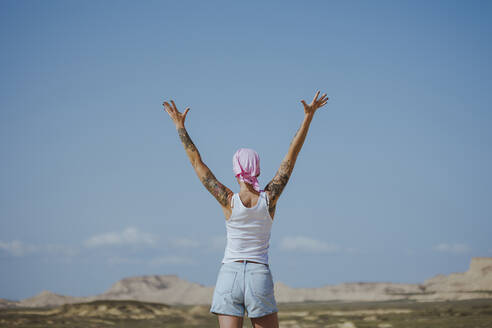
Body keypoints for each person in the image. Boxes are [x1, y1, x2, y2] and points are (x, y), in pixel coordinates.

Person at [163, 91, 329, 328]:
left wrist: (179, 126)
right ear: (258, 171)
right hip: (258, 276)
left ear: (235, 170)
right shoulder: (269, 199)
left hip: (229, 274)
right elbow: (291, 157)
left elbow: (197, 162)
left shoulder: (227, 200)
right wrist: (308, 118)